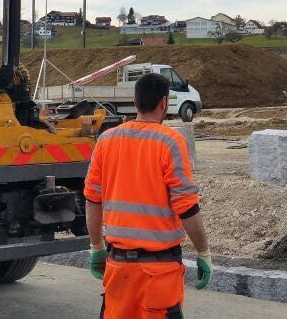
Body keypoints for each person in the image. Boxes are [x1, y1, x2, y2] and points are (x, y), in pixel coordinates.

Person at [84, 73, 211, 318]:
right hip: (159, 274)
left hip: (118, 269)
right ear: (164, 103)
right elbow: (186, 206)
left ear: (135, 102)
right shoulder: (170, 141)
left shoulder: (106, 140)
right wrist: (203, 252)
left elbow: (92, 200)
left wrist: (96, 247)